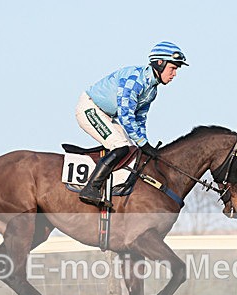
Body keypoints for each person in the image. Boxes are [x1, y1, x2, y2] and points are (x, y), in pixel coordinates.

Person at [75, 41, 188, 207]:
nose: (174, 74)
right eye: (173, 68)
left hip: (106, 114)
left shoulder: (152, 90)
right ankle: (91, 188)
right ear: (160, 63)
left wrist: (144, 143)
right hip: (90, 108)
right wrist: (144, 144)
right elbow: (126, 116)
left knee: (131, 150)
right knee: (121, 147)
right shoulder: (135, 79)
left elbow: (140, 120)